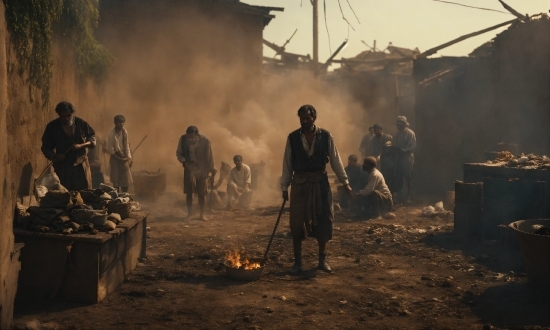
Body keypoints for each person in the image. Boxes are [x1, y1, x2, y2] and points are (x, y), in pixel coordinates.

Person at [281, 104, 351, 273]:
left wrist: (345, 182)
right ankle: (298, 262)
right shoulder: (292, 138)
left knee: (324, 220)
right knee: (296, 223)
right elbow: (287, 164)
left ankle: (322, 260)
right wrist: (284, 187)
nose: (304, 121)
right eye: (302, 118)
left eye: (308, 118)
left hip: (320, 182)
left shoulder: (326, 136)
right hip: (299, 183)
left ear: (314, 118)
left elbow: (336, 160)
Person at [41, 101, 96, 191]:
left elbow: (92, 139)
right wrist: (55, 156)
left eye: (68, 116)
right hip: (63, 167)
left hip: (81, 165)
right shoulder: (52, 127)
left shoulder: (80, 123)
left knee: (84, 192)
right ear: (59, 115)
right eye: (63, 116)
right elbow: (45, 147)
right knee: (65, 194)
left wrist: (81, 145)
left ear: (72, 114)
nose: (66, 118)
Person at [176, 126, 217, 220]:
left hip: (202, 169)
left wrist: (212, 168)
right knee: (189, 193)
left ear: (197, 135)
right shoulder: (183, 139)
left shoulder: (205, 141)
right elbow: (179, 153)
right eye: (188, 137)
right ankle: (189, 214)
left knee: (202, 193)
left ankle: (202, 215)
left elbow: (209, 157)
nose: (190, 139)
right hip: (189, 169)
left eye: (192, 137)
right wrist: (184, 161)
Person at [393, 116, 416, 203]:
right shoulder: (397, 134)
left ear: (404, 124)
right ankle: (400, 196)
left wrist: (402, 150)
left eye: (399, 125)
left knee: (408, 177)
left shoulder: (410, 133)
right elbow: (395, 144)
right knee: (399, 176)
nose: (397, 126)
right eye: (397, 125)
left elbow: (412, 147)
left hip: (407, 158)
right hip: (398, 157)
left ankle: (409, 197)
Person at [106, 115, 133, 192]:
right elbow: (110, 149)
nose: (121, 124)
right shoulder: (111, 134)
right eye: (119, 122)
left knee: (125, 180)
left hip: (124, 159)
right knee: (116, 180)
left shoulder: (125, 132)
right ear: (115, 123)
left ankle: (125, 196)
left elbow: (127, 145)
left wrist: (129, 157)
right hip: (115, 158)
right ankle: (117, 198)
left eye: (122, 122)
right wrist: (119, 157)